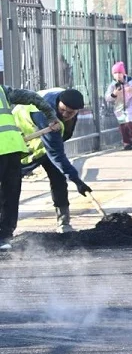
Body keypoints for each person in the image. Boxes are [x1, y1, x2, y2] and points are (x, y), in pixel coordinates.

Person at [13, 88, 92, 234]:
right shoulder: (44, 114)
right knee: (11, 182)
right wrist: (76, 179)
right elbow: (56, 153)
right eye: (63, 110)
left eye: (71, 113)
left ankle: (64, 223)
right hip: (22, 144)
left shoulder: (69, 104)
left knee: (58, 177)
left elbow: (63, 137)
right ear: (58, 103)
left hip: (44, 144)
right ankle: (6, 228)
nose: (65, 114)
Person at [0, 85, 59, 250]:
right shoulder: (2, 91)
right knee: (10, 193)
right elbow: (31, 97)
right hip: (12, 147)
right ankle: (4, 238)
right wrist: (51, 116)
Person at [106, 61, 132, 150]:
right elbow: (107, 98)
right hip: (118, 107)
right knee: (122, 125)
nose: (118, 75)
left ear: (124, 73)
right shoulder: (112, 85)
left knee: (129, 122)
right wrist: (114, 94)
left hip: (131, 104)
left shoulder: (130, 80)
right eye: (115, 73)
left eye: (120, 72)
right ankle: (127, 143)